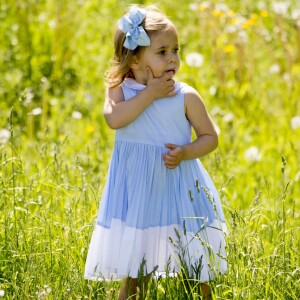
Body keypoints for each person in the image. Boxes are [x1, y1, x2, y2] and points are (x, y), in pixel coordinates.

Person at [85, 5, 227, 300]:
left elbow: (211, 138)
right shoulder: (120, 90)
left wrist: (187, 151)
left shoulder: (184, 96)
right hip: (140, 194)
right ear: (135, 58)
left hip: (178, 187)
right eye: (162, 52)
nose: (173, 58)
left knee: (195, 256)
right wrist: (150, 94)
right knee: (136, 262)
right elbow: (114, 120)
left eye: (175, 50)